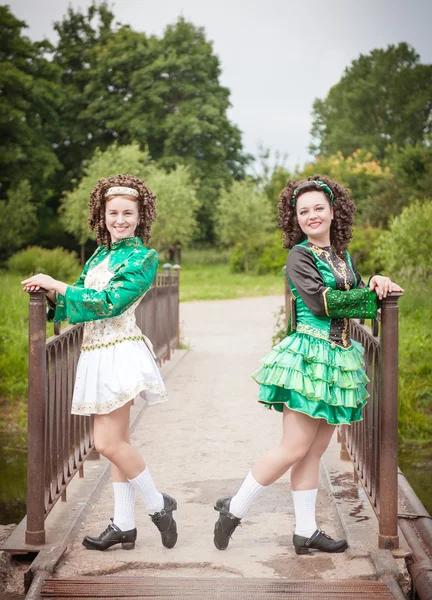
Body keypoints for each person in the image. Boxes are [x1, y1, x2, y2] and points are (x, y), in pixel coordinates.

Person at [213, 175, 403, 555]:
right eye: (303, 211)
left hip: (337, 361)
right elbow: (322, 303)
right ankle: (234, 509)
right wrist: (368, 298)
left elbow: (356, 287)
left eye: (319, 208)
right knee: (292, 447)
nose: (312, 216)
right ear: (295, 219)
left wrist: (377, 281)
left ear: (334, 212)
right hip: (309, 358)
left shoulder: (342, 256)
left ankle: (305, 531)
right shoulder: (299, 255)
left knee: (314, 452)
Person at [22, 174, 178, 551]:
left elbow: (109, 302)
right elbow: (77, 302)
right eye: (113, 213)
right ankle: (124, 524)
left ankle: (159, 507)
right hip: (95, 352)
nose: (120, 220)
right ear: (102, 215)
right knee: (119, 441)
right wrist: (50, 294)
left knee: (106, 443)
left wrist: (55, 283)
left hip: (119, 352)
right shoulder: (100, 254)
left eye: (128, 213)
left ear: (141, 217)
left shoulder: (144, 258)